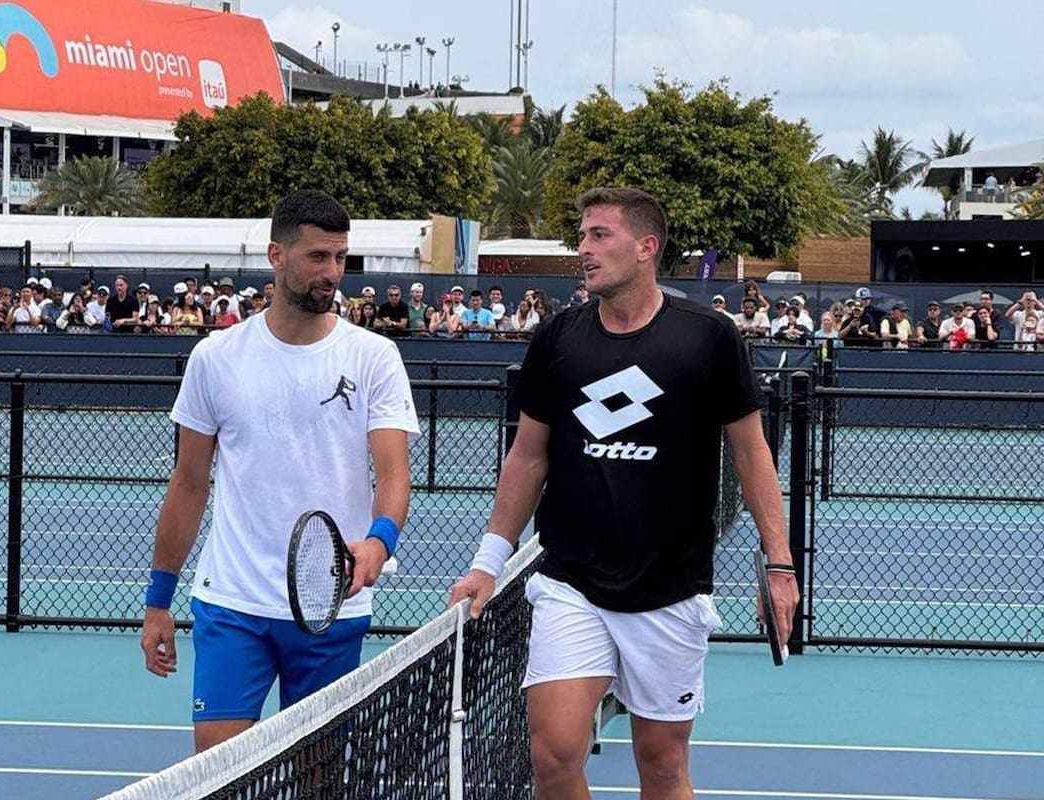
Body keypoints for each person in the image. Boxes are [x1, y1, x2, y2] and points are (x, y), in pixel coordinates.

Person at [447, 188, 796, 800]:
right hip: (570, 582)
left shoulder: (709, 337)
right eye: (582, 236)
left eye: (599, 236)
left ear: (646, 247)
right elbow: (528, 455)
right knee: (553, 754)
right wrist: (487, 563)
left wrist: (779, 562)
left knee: (661, 765)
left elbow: (751, 452)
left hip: (671, 588)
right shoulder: (557, 338)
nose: (583, 250)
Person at [140, 189, 420, 752]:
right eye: (318, 257)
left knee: (319, 778)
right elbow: (189, 483)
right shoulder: (215, 358)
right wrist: (157, 601)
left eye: (341, 258)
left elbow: (392, 474)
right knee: (217, 771)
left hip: (333, 605)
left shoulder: (374, 356)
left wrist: (378, 542)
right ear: (276, 256)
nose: (332, 273)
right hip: (233, 601)